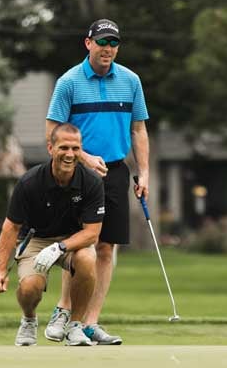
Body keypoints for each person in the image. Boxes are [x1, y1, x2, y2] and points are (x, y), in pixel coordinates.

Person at [44, 18, 150, 345]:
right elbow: (53, 131)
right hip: (78, 172)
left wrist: (144, 171)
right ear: (88, 43)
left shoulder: (130, 81)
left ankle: (90, 322)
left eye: (113, 43)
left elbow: (138, 130)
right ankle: (64, 310)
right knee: (80, 243)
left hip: (116, 171)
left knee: (106, 247)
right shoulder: (69, 82)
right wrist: (83, 157)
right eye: (102, 42)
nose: (108, 49)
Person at [0, 123, 104, 346]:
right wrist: (0, 270)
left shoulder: (91, 182)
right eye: (63, 148)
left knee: (88, 258)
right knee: (30, 288)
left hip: (71, 241)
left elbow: (91, 234)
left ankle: (75, 326)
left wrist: (60, 247)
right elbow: (10, 227)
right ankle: (29, 319)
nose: (70, 154)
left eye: (75, 148)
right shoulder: (29, 182)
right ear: (50, 148)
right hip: (34, 240)